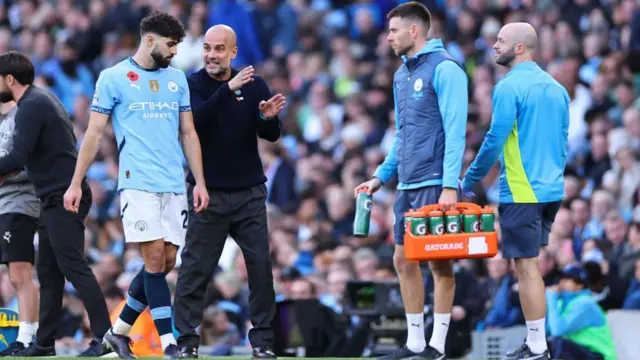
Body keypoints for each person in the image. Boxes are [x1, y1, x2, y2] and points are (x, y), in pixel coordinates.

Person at [63, 11, 209, 359]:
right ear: (150, 40)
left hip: (174, 183)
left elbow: (188, 132)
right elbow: (94, 133)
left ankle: (117, 333)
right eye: (171, 45)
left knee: (166, 261)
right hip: (137, 182)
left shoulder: (177, 80)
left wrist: (199, 181)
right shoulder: (113, 78)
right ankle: (170, 343)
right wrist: (75, 182)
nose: (175, 52)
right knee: (155, 260)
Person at [354, 2, 468, 359]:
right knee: (403, 261)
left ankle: (438, 344)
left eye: (393, 31)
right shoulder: (401, 75)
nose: (388, 37)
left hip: (436, 182)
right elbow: (402, 135)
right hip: (406, 185)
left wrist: (451, 184)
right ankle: (416, 341)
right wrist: (379, 177)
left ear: (414, 31)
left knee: (439, 262)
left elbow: (455, 131)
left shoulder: (446, 69)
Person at [173, 24, 285, 359]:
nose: (211, 55)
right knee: (195, 270)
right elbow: (193, 123)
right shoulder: (190, 84)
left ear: (233, 52)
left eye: (219, 49)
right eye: (207, 48)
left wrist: (266, 119)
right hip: (208, 194)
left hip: (249, 192)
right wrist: (227, 90)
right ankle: (186, 343)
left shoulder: (253, 84)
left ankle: (263, 344)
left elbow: (271, 135)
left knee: (261, 269)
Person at [460, 22, 570, 360]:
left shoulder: (508, 87)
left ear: (520, 48)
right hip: (551, 189)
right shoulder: (556, 88)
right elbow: (563, 141)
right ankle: (536, 341)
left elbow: (494, 138)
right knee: (530, 264)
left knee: (526, 267)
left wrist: (471, 178)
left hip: (522, 190)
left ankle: (537, 345)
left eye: (501, 40)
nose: (494, 45)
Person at [0, 51, 111, 357]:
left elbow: (17, 156)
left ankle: (105, 337)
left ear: (10, 79)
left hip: (64, 195)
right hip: (53, 197)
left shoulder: (30, 106)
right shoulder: (39, 101)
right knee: (49, 274)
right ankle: (44, 343)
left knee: (74, 268)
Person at [0, 99, 39, 356]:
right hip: (4, 204)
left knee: (19, 274)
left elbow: (29, 163)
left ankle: (27, 338)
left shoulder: (22, 118)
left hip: (20, 203)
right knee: (13, 274)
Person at [546, 265, 616, 360]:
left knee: (559, 344)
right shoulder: (560, 302)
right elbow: (546, 331)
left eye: (568, 279)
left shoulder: (585, 303)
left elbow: (557, 331)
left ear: (580, 285)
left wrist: (551, 298)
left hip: (598, 355)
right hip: (580, 353)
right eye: (562, 278)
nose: (562, 282)